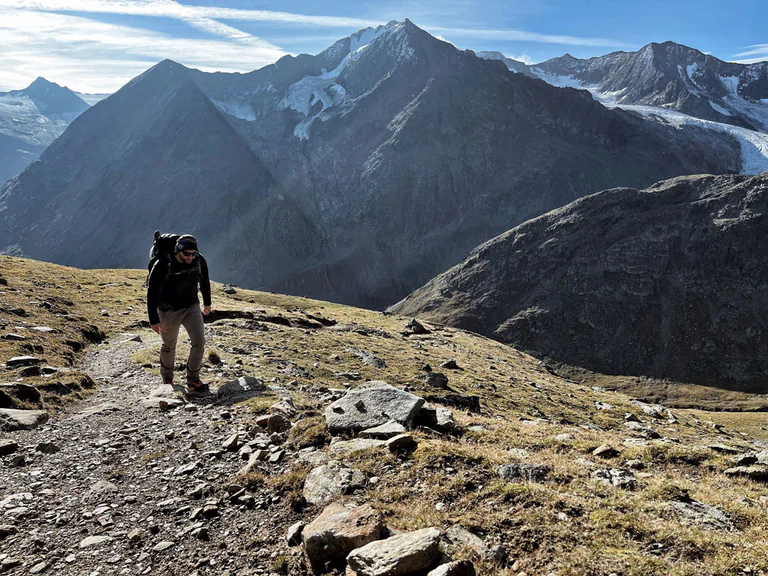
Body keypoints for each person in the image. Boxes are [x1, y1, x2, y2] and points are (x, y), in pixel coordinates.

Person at [146, 234, 212, 392]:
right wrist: (153, 319)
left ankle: (193, 380)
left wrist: (207, 302)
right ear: (178, 251)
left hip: (191, 306)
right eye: (187, 254)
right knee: (169, 345)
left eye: (194, 253)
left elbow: (204, 281)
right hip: (168, 310)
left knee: (199, 342)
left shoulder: (199, 260)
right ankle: (167, 378)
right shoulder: (163, 264)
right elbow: (152, 291)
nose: (191, 257)